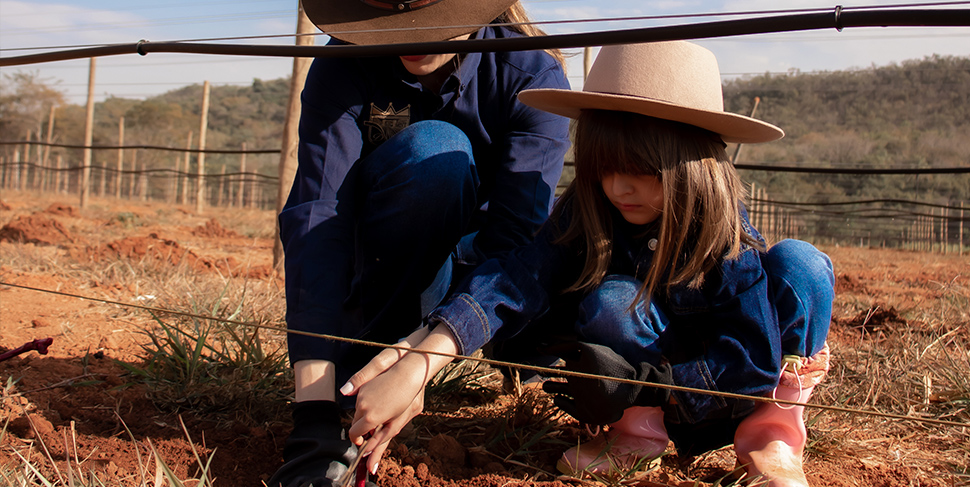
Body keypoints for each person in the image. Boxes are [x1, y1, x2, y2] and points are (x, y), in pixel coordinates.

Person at [343, 41, 834, 487]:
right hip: (651, 382)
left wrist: (653, 387)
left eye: (642, 172)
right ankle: (638, 435)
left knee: (802, 264)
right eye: (604, 169)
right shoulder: (588, 212)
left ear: (693, 163)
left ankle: (773, 438)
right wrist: (426, 356)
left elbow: (752, 360)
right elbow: (518, 276)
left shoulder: (727, 239)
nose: (619, 189)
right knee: (612, 301)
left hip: (733, 384)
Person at [271, 0, 571, 487]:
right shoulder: (343, 69)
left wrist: (421, 359)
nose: (411, 39)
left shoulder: (531, 74)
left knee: (447, 155)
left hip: (485, 282)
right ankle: (361, 362)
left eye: (432, 16)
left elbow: (517, 236)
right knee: (435, 151)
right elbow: (319, 218)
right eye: (392, 19)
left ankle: (502, 358)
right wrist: (313, 410)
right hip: (375, 274)